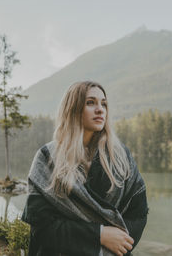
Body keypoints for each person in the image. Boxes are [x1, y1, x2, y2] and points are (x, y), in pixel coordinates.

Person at [21, 81, 148, 256]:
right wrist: (100, 235)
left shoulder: (120, 157)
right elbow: (42, 227)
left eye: (103, 104)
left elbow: (139, 214)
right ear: (73, 108)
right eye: (90, 103)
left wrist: (116, 245)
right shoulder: (48, 158)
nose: (100, 109)